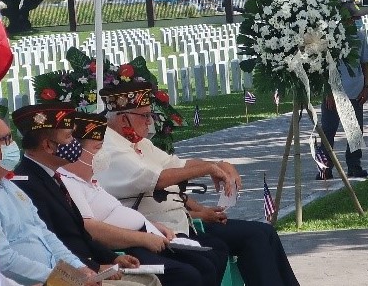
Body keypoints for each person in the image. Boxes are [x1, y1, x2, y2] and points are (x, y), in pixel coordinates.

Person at [95, 79, 301, 286]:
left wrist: (218, 163)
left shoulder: (139, 144)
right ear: (124, 120)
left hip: (181, 223)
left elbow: (177, 164)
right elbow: (156, 179)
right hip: (156, 230)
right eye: (146, 116)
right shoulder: (110, 148)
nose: (150, 122)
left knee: (262, 233)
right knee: (232, 247)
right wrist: (208, 169)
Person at [0, 113, 156, 286]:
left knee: (149, 280)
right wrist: (69, 277)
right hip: (37, 281)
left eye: (10, 137)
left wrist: (79, 269)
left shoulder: (10, 187)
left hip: (62, 275)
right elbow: (3, 259)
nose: (12, 145)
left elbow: (47, 235)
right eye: (4, 140)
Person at [60, 111, 223, 286]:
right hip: (126, 247)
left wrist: (152, 226)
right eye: (97, 149)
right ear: (75, 150)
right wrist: (143, 237)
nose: (102, 154)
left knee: (206, 260)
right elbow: (90, 228)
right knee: (185, 274)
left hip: (148, 235)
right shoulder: (67, 182)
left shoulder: (90, 181)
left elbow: (118, 211)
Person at [318, 0, 368, 179]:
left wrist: (366, 87)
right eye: (352, 18)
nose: (355, 22)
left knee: (355, 131)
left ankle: (354, 165)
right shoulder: (329, 39)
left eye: (356, 19)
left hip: (355, 90)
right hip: (333, 92)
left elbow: (364, 64)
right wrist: (327, 92)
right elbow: (323, 69)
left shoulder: (360, 37)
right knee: (328, 130)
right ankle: (325, 166)